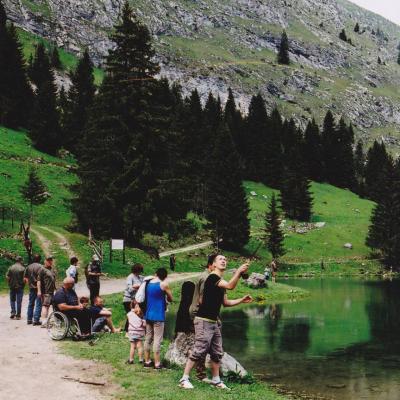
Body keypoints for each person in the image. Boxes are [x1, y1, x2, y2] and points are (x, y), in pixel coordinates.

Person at [179, 254, 252, 390]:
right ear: (213, 264)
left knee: (217, 352)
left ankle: (216, 380)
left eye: (225, 259)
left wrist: (241, 300)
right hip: (203, 320)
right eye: (220, 259)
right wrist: (238, 272)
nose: (224, 261)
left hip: (213, 321)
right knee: (199, 350)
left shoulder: (220, 281)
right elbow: (231, 286)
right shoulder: (212, 277)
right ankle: (184, 379)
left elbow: (226, 302)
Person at [143, 267, 173, 369]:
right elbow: (171, 298)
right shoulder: (164, 284)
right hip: (158, 315)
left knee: (148, 338)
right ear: (165, 276)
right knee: (157, 339)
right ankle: (157, 363)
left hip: (148, 314)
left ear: (156, 274)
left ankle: (147, 361)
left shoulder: (149, 283)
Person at [122, 263, 144, 331]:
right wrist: (139, 286)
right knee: (131, 314)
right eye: (139, 270)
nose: (140, 272)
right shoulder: (130, 277)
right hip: (128, 299)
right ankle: (127, 329)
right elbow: (130, 289)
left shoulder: (140, 277)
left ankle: (131, 329)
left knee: (135, 314)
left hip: (136, 299)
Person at [25, 254, 44, 325]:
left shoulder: (28, 267)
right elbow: (41, 278)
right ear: (39, 259)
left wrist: (29, 284)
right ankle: (36, 320)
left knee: (30, 303)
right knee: (38, 304)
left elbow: (25, 278)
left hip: (31, 288)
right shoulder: (41, 267)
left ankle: (29, 319)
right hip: (39, 288)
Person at [37, 256, 56, 327]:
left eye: (51, 260)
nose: (50, 261)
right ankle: (44, 322)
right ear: (45, 261)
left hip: (51, 291)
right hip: (46, 291)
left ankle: (46, 321)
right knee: (45, 306)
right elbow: (38, 281)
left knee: (48, 307)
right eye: (48, 260)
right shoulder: (42, 269)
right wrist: (39, 291)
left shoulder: (51, 269)